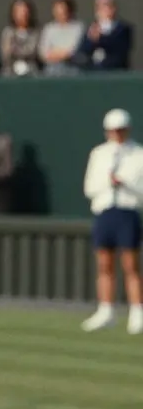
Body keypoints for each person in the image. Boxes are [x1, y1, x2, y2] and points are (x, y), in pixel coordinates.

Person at [81, 108, 143, 335]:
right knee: (104, 264)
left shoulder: (139, 154)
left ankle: (137, 313)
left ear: (127, 130)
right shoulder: (98, 154)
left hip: (128, 211)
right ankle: (106, 311)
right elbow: (89, 188)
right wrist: (108, 183)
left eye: (120, 130)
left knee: (131, 265)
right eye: (112, 131)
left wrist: (125, 183)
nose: (116, 134)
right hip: (104, 211)